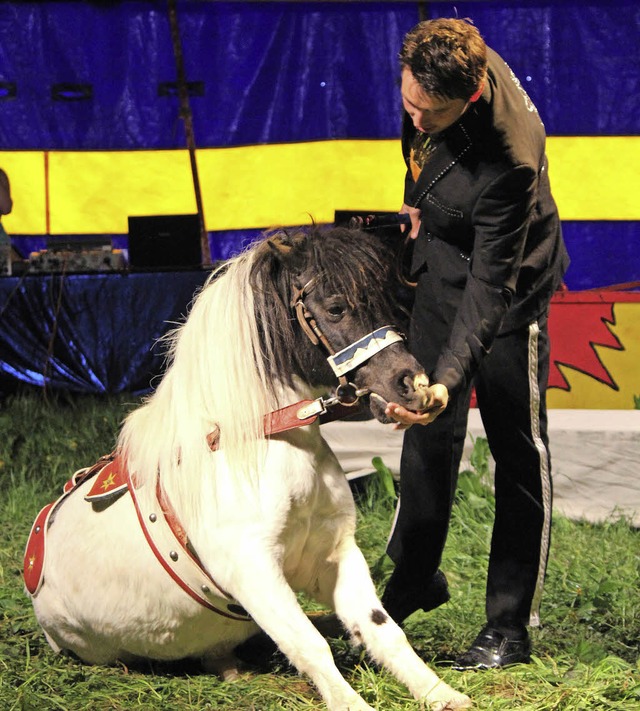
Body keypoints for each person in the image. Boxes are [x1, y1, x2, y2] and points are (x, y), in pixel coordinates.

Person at [380, 18, 570, 670]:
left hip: (509, 287)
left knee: (518, 447)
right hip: (443, 263)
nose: (413, 115)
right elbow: (420, 147)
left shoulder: (510, 156)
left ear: (470, 94)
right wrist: (413, 210)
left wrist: (448, 378)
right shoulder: (433, 74)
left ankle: (509, 625)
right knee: (425, 433)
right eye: (408, 102)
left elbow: (490, 287)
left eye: (428, 111)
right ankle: (410, 582)